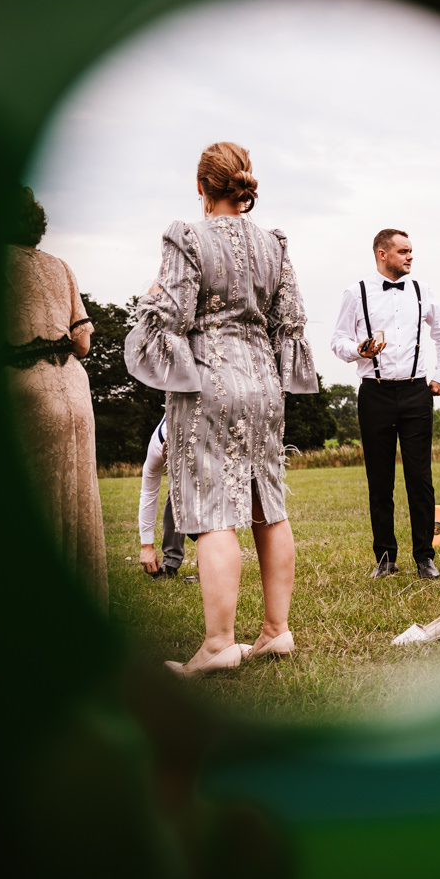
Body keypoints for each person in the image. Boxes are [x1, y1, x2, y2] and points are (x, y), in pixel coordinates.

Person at [125, 142, 318, 675]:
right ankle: (276, 631)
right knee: (268, 504)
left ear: (201, 186)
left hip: (209, 383)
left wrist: (147, 298)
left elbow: (172, 314)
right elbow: (291, 321)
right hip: (264, 382)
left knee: (213, 513)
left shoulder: (187, 236)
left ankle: (218, 645)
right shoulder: (273, 243)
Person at [329, 229, 440, 580]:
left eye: (411, 251)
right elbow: (338, 339)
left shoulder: (421, 290)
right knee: (379, 480)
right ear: (382, 254)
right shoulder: (356, 293)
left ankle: (425, 557)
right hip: (375, 393)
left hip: (417, 393)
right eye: (403, 251)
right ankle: (385, 558)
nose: (410, 257)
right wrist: (359, 349)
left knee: (420, 477)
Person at [4, 186, 107, 608]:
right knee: (80, 503)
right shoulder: (60, 267)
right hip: (74, 391)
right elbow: (82, 342)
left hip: (25, 392)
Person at [137, 417, 196, 583]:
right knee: (177, 491)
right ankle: (170, 564)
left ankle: (209, 566)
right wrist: (146, 546)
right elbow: (148, 494)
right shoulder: (157, 445)